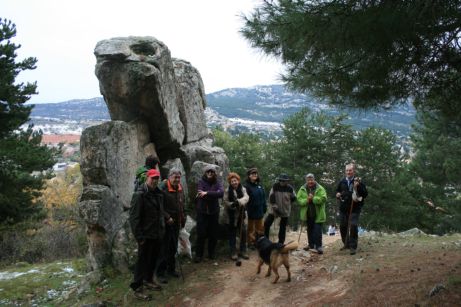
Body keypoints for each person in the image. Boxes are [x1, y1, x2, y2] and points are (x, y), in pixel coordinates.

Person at [129, 168, 166, 301]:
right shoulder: (139, 195)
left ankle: (149, 280)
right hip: (145, 236)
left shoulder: (158, 193)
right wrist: (139, 237)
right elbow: (134, 218)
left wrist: (165, 222)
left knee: (153, 259)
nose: (155, 181)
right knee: (142, 262)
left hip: (157, 233)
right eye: (152, 178)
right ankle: (137, 288)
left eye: (157, 178)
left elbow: (160, 211)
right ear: (147, 178)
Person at [156, 168, 186, 283]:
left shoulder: (180, 188)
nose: (177, 179)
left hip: (177, 222)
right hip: (165, 223)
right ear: (169, 177)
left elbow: (182, 203)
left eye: (179, 177)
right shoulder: (162, 188)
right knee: (164, 248)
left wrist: (183, 216)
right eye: (175, 177)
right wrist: (167, 216)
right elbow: (159, 205)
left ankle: (171, 269)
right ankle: (160, 273)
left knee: (173, 247)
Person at [336, 163, 368, 255]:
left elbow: (365, 194)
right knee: (343, 226)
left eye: (350, 170)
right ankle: (346, 244)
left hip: (355, 208)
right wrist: (338, 195)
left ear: (354, 171)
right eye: (347, 170)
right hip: (343, 208)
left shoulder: (358, 181)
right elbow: (337, 191)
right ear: (345, 171)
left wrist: (358, 186)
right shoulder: (342, 181)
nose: (348, 172)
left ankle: (353, 247)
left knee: (353, 226)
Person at [194, 165, 224, 263]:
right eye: (208, 172)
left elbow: (221, 193)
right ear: (205, 173)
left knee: (213, 234)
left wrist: (206, 193)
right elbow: (200, 194)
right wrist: (213, 193)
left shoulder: (218, 183)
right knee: (201, 233)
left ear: (214, 173)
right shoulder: (200, 182)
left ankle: (211, 254)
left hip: (213, 212)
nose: (210, 173)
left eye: (212, 172)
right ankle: (199, 255)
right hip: (202, 211)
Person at [297, 173, 327, 254]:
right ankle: (311, 245)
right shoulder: (302, 189)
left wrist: (313, 198)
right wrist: (307, 200)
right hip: (307, 214)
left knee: (317, 230)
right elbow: (299, 200)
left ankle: (319, 246)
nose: (310, 181)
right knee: (309, 230)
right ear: (306, 180)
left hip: (318, 214)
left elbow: (323, 199)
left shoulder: (320, 188)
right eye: (308, 180)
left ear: (314, 179)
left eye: (311, 180)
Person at [223, 172, 250, 260]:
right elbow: (226, 201)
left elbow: (246, 197)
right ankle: (233, 252)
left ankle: (243, 251)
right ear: (230, 183)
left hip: (241, 215)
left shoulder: (243, 189)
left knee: (243, 232)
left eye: (235, 180)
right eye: (232, 181)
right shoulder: (227, 190)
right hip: (231, 216)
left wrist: (239, 202)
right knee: (232, 234)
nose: (234, 182)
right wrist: (232, 204)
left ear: (238, 180)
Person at [264, 174, 296, 244]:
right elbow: (271, 196)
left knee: (282, 227)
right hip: (274, 209)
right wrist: (274, 205)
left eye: (285, 181)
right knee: (266, 223)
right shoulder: (275, 186)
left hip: (285, 210)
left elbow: (294, 198)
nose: (283, 182)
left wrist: (291, 200)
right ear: (280, 180)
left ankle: (281, 242)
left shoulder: (290, 188)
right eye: (282, 181)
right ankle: (266, 240)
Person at [243, 167, 266, 247]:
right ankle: (250, 243)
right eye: (252, 174)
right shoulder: (246, 186)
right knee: (251, 229)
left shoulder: (259, 186)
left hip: (260, 211)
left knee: (260, 229)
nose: (254, 175)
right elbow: (245, 199)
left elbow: (263, 197)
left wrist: (264, 207)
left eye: (255, 173)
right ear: (249, 176)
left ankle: (258, 243)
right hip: (251, 211)